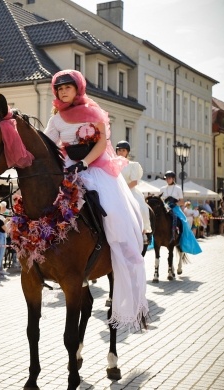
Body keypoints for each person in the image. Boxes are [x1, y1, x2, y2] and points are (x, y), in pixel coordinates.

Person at [44, 69, 147, 329]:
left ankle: (117, 254)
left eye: (67, 87)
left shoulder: (93, 111)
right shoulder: (56, 119)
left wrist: (84, 164)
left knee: (112, 211)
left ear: (78, 89)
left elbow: (102, 144)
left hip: (95, 169)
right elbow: (47, 145)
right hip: (67, 169)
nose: (63, 91)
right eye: (59, 88)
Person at [115, 140, 152, 244]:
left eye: (123, 150)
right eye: (119, 150)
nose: (121, 152)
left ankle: (143, 231)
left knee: (142, 207)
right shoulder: (112, 164)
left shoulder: (133, 165)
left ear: (127, 152)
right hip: (115, 191)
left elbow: (134, 181)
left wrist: (124, 189)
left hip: (130, 191)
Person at [160, 171, 202, 254]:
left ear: (173, 178)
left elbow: (182, 202)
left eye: (169, 178)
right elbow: (160, 200)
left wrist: (174, 204)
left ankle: (183, 241)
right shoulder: (162, 189)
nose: (167, 180)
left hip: (175, 208)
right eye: (166, 178)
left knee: (184, 222)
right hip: (165, 208)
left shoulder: (178, 188)